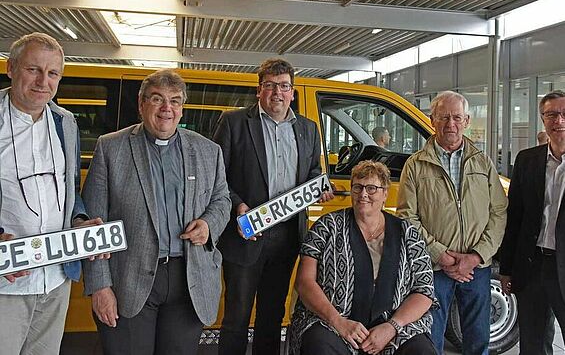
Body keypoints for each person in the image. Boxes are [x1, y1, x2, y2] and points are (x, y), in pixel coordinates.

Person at [81, 69, 231, 355]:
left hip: (189, 280)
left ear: (182, 108)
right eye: (157, 99)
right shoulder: (111, 148)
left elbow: (222, 199)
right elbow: (93, 225)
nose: (167, 108)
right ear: (141, 104)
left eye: (175, 101)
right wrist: (100, 287)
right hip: (129, 279)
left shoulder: (208, 151)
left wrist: (209, 224)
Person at [213, 58, 333, 355]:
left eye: (284, 86)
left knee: (272, 315)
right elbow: (215, 177)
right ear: (259, 90)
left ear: (292, 92)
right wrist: (238, 206)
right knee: (237, 316)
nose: (277, 92)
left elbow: (312, 171)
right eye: (270, 86)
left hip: (287, 237)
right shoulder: (234, 123)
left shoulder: (307, 129)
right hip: (245, 233)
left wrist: (320, 185)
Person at [0, 32, 97, 354]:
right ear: (11, 68)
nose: (43, 81)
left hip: (56, 277)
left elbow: (71, 189)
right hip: (6, 281)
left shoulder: (64, 122)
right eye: (33, 69)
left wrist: (80, 220)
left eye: (53, 73)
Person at [397, 90, 508, 355]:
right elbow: (406, 216)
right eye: (444, 117)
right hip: (434, 267)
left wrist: (476, 256)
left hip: (476, 268)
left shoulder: (482, 162)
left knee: (478, 336)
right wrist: (441, 255)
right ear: (432, 120)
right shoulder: (415, 165)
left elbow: (499, 211)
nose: (451, 124)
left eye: (457, 117)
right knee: (430, 335)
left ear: (467, 120)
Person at [290, 160, 436, 355]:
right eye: (357, 187)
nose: (363, 194)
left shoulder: (408, 233)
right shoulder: (326, 227)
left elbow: (424, 291)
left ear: (385, 193)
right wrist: (338, 322)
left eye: (372, 188)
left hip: (394, 328)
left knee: (422, 351)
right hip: (334, 323)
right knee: (318, 345)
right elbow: (304, 282)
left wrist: (392, 326)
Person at [499, 90, 565, 354]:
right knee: (532, 344)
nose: (559, 120)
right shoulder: (527, 160)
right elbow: (514, 217)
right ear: (543, 119)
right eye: (552, 114)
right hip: (532, 267)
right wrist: (507, 268)